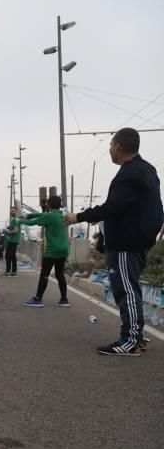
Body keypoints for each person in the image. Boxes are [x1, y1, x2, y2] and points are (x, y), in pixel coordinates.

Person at [65, 128, 163, 356]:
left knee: (125, 289)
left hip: (125, 243)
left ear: (118, 146)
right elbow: (158, 209)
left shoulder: (130, 174)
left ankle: (130, 340)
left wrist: (78, 217)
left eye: (110, 145)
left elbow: (113, 207)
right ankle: (136, 334)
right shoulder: (147, 170)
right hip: (139, 241)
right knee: (131, 287)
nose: (110, 150)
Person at [19, 196, 70, 307]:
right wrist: (28, 215)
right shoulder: (61, 215)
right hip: (63, 250)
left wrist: (19, 221)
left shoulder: (49, 216)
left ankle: (38, 299)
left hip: (52, 250)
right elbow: (40, 215)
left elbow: (33, 223)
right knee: (60, 274)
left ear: (49, 205)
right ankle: (64, 299)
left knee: (44, 274)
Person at [2, 208, 21, 277]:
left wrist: (8, 232)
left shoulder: (14, 220)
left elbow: (16, 230)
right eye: (10, 211)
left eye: (13, 211)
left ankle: (7, 272)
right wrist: (8, 229)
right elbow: (14, 229)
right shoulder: (16, 219)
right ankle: (13, 272)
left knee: (8, 256)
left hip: (13, 240)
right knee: (13, 256)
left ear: (16, 212)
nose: (11, 212)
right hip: (15, 240)